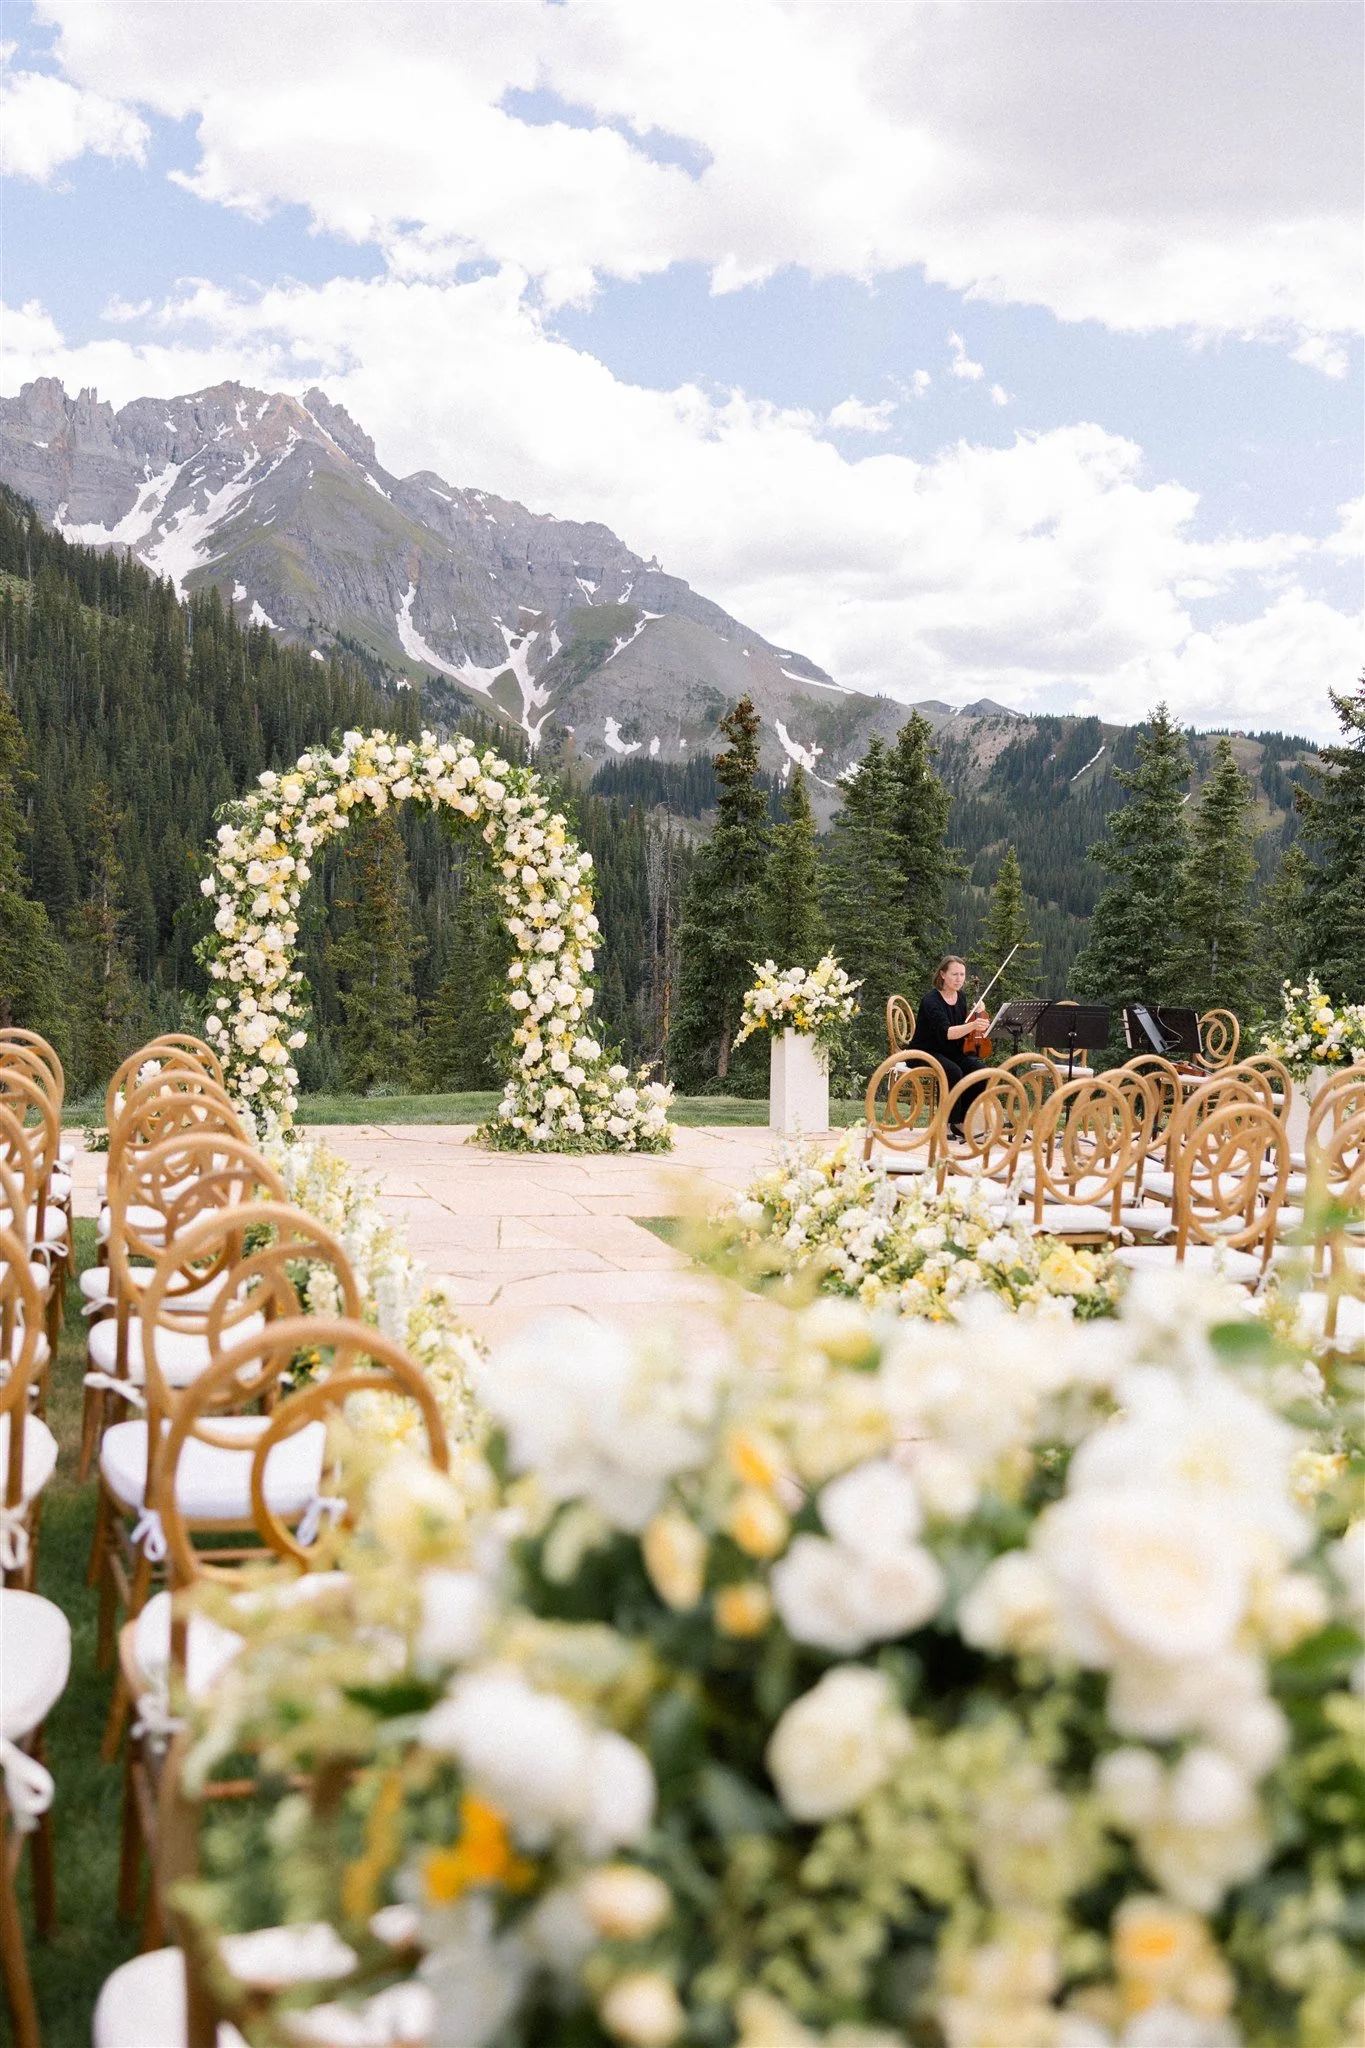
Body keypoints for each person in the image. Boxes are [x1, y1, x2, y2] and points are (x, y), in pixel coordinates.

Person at [908, 954, 989, 1139]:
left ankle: (961, 1120)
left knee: (980, 1071)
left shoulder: (961, 997)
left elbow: (961, 1028)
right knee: (953, 1071)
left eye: (962, 974)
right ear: (943, 974)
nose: (959, 979)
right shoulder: (931, 1000)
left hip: (950, 1050)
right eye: (954, 974)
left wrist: (977, 1014)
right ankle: (945, 1122)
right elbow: (947, 1032)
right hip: (924, 1051)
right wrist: (973, 1025)